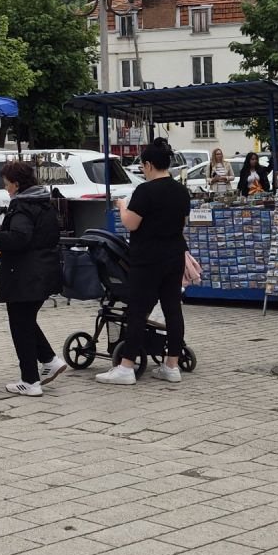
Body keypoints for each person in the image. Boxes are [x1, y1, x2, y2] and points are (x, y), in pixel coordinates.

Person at [97, 138, 191, 386]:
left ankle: (126, 367)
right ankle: (172, 365)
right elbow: (182, 224)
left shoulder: (145, 191)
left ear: (149, 165)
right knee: (173, 309)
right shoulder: (181, 190)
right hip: (174, 255)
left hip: (147, 258)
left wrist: (121, 207)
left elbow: (131, 224)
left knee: (138, 310)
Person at [0, 160, 64, 395]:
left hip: (25, 274)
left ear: (16, 184)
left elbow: (19, 238)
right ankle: (49, 360)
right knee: (25, 320)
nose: (6, 189)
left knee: (20, 325)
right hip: (43, 271)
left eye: (7, 184)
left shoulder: (23, 206)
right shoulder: (43, 203)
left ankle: (30, 380)